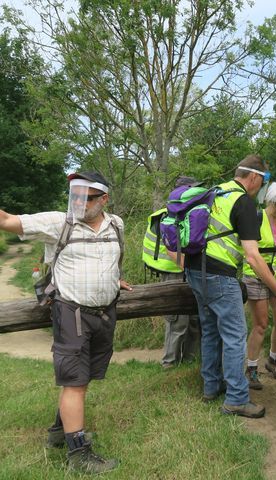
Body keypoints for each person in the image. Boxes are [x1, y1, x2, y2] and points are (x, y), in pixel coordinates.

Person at [0, 171, 132, 474]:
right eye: (73, 195)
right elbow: (7, 220)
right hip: (71, 313)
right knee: (75, 383)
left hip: (105, 313)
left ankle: (60, 434)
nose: (77, 202)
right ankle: (78, 455)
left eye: (85, 197)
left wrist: (113, 280)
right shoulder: (58, 222)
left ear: (104, 200)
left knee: (83, 380)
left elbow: (110, 258)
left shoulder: (117, 225)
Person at [183, 154, 276, 419]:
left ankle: (212, 386)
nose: (261, 187)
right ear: (254, 176)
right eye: (263, 180)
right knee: (234, 336)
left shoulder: (216, 192)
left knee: (210, 330)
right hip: (220, 275)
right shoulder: (242, 201)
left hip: (195, 271)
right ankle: (236, 399)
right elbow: (253, 256)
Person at [142, 176, 201, 369]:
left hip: (185, 271)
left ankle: (189, 362)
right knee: (177, 321)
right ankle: (169, 363)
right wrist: (191, 268)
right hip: (173, 273)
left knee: (194, 318)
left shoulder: (187, 212)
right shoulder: (169, 215)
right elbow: (171, 249)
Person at [243, 182, 276, 389]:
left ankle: (273, 360)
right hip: (255, 276)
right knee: (261, 324)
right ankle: (251, 368)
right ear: (268, 201)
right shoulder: (256, 218)